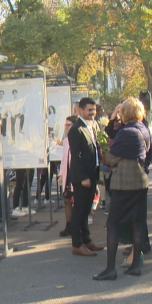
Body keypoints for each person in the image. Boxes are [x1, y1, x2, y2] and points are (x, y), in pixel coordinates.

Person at [93, 98, 150, 280]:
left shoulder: (126, 132)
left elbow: (111, 159)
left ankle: (110, 268)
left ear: (124, 113)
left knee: (113, 223)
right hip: (140, 182)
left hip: (124, 183)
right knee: (137, 223)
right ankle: (135, 266)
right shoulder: (143, 129)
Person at [68, 97, 104, 256]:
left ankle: (86, 240)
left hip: (92, 174)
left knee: (86, 210)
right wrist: (83, 177)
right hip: (82, 178)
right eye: (89, 110)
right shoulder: (76, 129)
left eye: (94, 110)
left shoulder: (91, 126)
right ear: (80, 110)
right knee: (79, 211)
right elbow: (76, 156)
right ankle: (77, 244)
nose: (92, 113)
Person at [59, 116, 78, 237]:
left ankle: (77, 226)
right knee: (67, 200)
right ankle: (69, 225)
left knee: (77, 202)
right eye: (65, 125)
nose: (66, 127)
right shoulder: (66, 140)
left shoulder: (79, 138)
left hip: (76, 173)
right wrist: (61, 175)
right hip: (67, 173)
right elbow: (63, 159)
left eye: (69, 125)